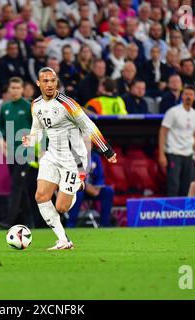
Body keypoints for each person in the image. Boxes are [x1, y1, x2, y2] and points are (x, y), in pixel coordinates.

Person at [22, 67, 117, 250]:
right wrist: (31, 138)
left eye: (53, 80)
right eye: (46, 81)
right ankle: (63, 240)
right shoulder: (36, 105)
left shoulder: (68, 104)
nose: (49, 84)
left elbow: (89, 126)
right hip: (51, 155)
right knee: (41, 196)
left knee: (61, 207)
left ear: (57, 82)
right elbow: (38, 131)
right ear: (38, 83)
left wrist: (107, 150)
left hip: (73, 159)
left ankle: (77, 184)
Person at [0, 77, 39, 229]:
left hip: (25, 152)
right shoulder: (5, 108)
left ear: (22, 90)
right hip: (11, 153)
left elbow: (38, 128)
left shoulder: (28, 107)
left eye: (17, 88)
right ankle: (30, 220)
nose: (14, 91)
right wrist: (1, 142)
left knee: (15, 185)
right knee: (22, 186)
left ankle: (9, 220)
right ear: (8, 90)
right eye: (12, 88)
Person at [158, 85, 195, 197]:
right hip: (173, 153)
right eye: (186, 94)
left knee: (188, 187)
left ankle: (186, 212)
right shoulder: (173, 112)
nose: (188, 97)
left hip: (188, 154)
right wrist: (161, 154)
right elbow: (163, 132)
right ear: (182, 96)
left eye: (191, 94)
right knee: (173, 185)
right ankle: (173, 212)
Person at [67, 149, 114, 228]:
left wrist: (98, 187)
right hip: (78, 188)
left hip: (93, 189)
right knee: (79, 194)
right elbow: (72, 175)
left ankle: (104, 224)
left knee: (108, 191)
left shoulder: (95, 157)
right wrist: (85, 186)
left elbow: (100, 176)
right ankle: (71, 224)